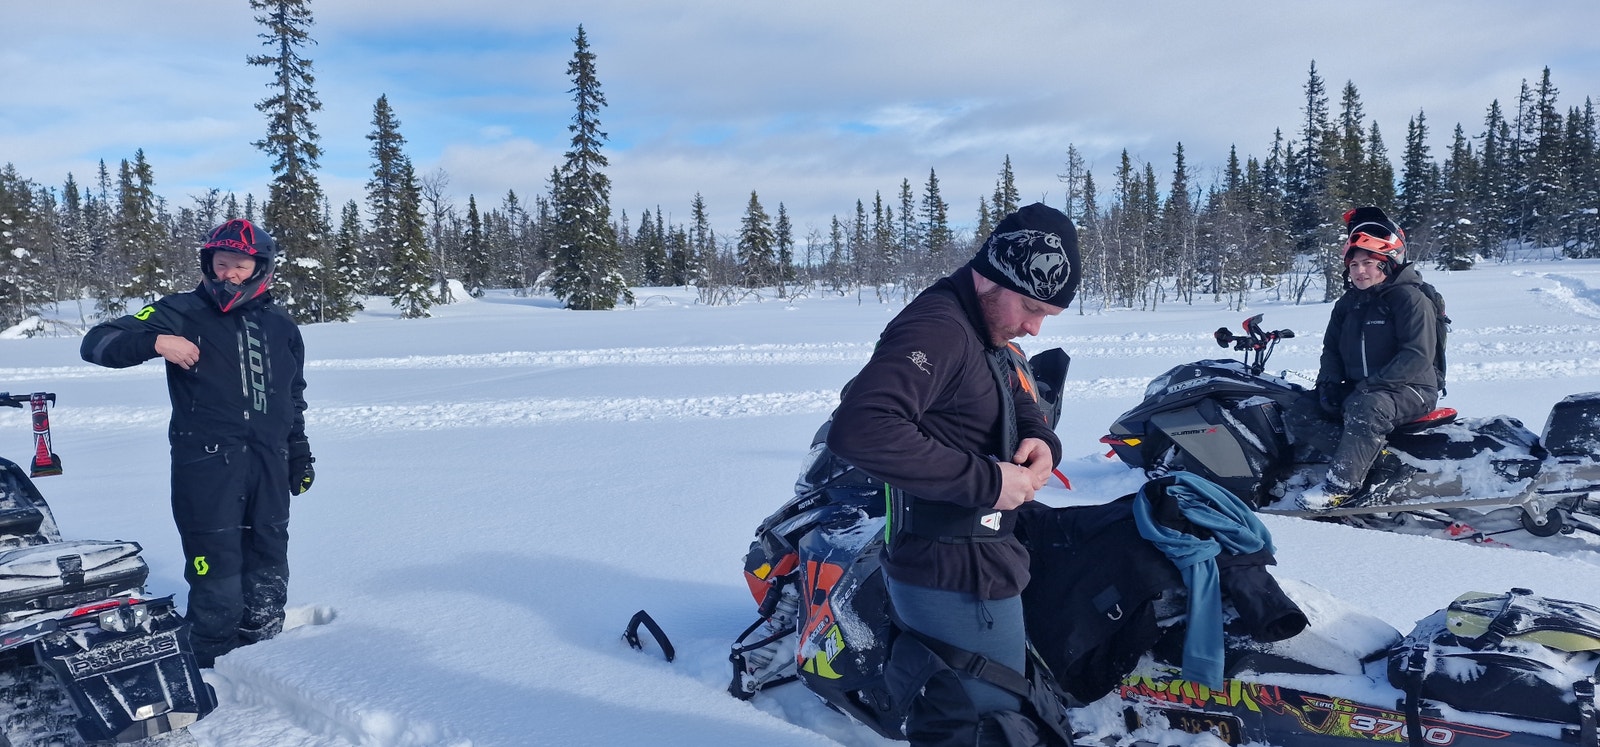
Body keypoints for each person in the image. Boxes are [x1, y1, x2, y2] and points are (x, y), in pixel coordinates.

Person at [827, 203, 1079, 744]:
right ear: (991, 276)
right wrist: (990, 482)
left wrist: (1041, 440)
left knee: (992, 716)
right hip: (952, 573)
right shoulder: (939, 328)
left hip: (980, 562)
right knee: (980, 728)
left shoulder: (981, 327)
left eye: (1046, 316)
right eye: (1031, 308)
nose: (1034, 328)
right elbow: (861, 428)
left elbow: (1013, 390)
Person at [81, 219, 313, 667]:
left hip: (269, 462)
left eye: (240, 265)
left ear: (261, 269)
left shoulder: (282, 326)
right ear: (208, 264)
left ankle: (265, 658)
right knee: (216, 571)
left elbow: (292, 398)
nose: (229, 274)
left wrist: (298, 454)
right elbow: (97, 342)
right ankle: (210, 664)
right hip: (206, 464)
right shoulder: (182, 310)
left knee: (268, 563)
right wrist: (156, 341)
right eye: (221, 263)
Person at [1293, 206, 1440, 510]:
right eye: (1354, 264)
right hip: (1363, 388)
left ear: (1386, 265)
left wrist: (1369, 387)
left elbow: (1417, 355)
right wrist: (1328, 385)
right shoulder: (1347, 304)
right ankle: (1382, 463)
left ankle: (1340, 486)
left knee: (1366, 407)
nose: (1360, 271)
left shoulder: (1409, 298)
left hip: (1412, 389)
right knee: (1301, 409)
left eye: (1368, 263)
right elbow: (1331, 350)